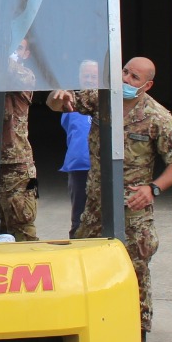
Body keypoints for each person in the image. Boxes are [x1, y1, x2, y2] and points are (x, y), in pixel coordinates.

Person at [48, 57, 172, 342]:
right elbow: (59, 104)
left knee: (136, 267)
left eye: (134, 78)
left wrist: (153, 189)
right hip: (96, 203)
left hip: (132, 207)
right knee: (84, 261)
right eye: (124, 72)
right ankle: (86, 320)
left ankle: (137, 330)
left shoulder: (158, 118)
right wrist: (56, 98)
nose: (125, 80)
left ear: (147, 85)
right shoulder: (101, 98)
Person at [0, 42, 38, 241]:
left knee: (22, 227)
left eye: (18, 48)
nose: (13, 52)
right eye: (10, 47)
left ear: (26, 54)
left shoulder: (25, 76)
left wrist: (1, 54)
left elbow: (14, 73)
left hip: (17, 166)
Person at [59, 60, 101, 234]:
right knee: (79, 216)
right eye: (86, 76)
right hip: (79, 166)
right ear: (79, 77)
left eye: (94, 76)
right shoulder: (71, 101)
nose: (89, 79)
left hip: (102, 166)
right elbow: (54, 102)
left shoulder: (108, 102)